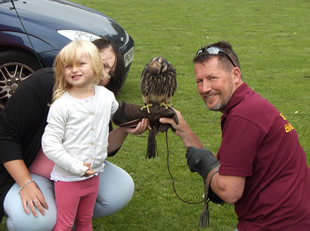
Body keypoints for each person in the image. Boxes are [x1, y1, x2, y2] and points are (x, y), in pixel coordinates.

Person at [0, 38, 149, 231]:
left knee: (121, 189)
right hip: (31, 172)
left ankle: (68, 209)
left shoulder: (99, 98)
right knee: (35, 221)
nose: (105, 75)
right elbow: (5, 137)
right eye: (102, 64)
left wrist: (127, 127)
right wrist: (25, 183)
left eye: (111, 72)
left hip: (77, 175)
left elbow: (103, 146)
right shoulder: (43, 85)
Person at [160, 41, 310, 230]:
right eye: (199, 81)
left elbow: (229, 191)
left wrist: (202, 163)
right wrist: (183, 130)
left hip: (275, 224)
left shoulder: (243, 116)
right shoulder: (248, 105)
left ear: (235, 75)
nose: (205, 88)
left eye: (212, 78)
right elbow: (227, 169)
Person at [41, 40, 121, 230]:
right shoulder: (62, 105)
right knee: (65, 225)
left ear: (96, 65)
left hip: (93, 176)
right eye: (68, 66)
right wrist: (75, 166)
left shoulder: (106, 97)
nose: (74, 70)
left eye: (80, 64)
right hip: (68, 179)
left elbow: (114, 111)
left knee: (85, 221)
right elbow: (49, 144)